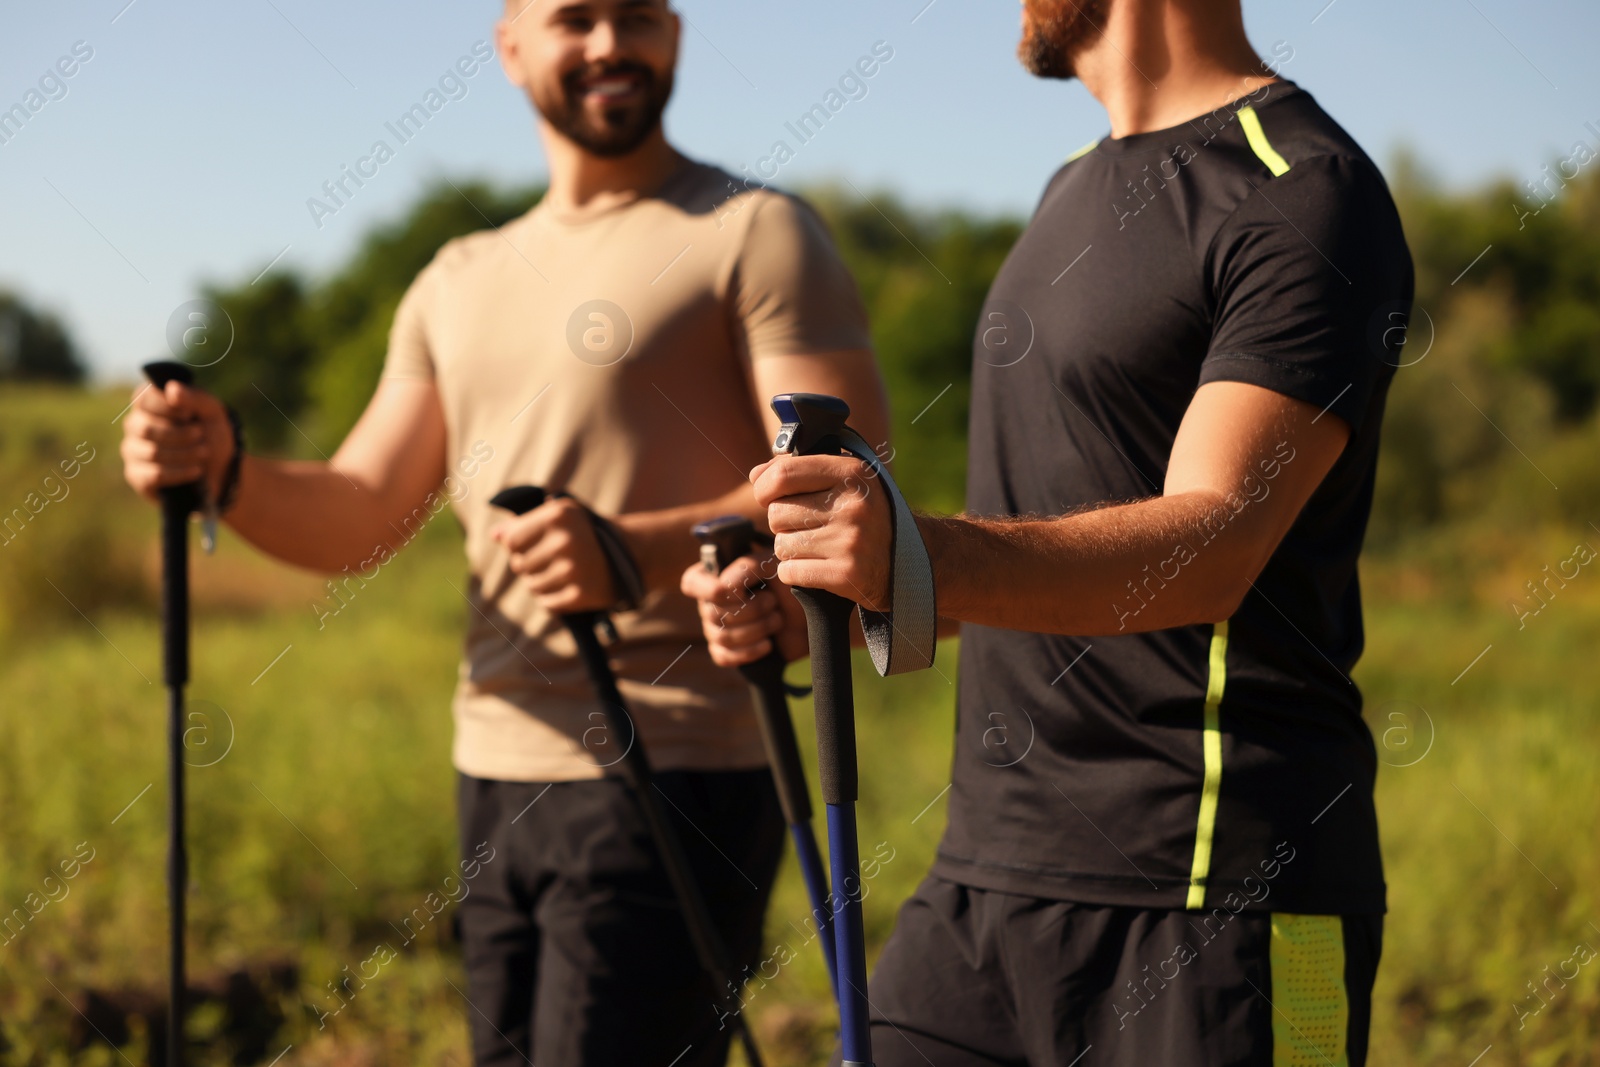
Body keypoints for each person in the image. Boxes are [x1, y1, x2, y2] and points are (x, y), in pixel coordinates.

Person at [120, 1, 888, 1063]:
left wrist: (629, 549)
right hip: (492, 771)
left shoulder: (752, 230)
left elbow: (841, 484)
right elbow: (361, 505)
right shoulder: (457, 276)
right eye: (575, 18)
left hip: (674, 760)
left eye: (638, 16)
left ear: (674, 32)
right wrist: (225, 473)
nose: (610, 44)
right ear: (511, 45)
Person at [683, 0, 1413, 1063]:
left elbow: (1210, 545)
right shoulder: (1070, 187)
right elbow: (1053, 532)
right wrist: (830, 599)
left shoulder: (1305, 189)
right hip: (987, 887)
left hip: (1227, 894)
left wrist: (917, 552)